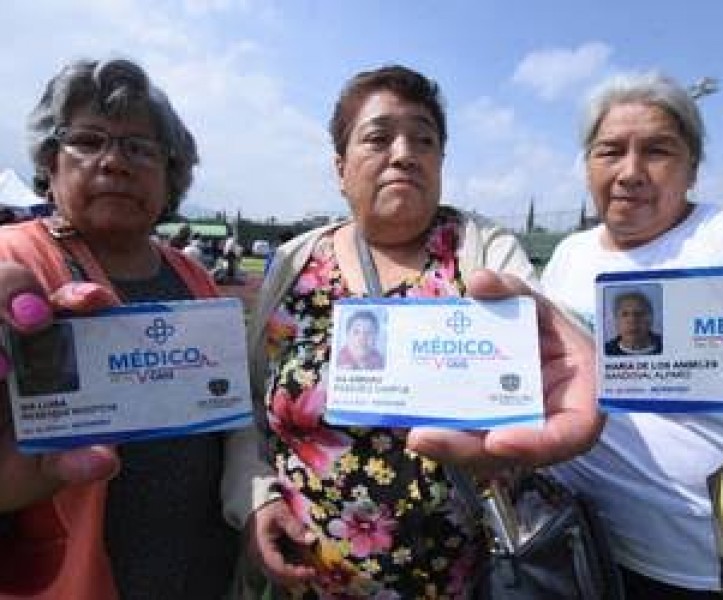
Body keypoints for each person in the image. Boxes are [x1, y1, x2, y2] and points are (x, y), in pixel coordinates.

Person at [220, 64, 601, 599]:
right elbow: (250, 410)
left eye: (423, 139)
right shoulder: (294, 263)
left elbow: (546, 349)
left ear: (440, 161)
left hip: (460, 578)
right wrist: (257, 496)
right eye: (378, 137)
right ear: (340, 166)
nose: (404, 153)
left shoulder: (484, 254)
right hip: (309, 578)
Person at [541, 70, 723, 598]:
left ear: (692, 169)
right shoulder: (570, 255)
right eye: (610, 151)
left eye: (657, 151)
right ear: (587, 164)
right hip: (591, 548)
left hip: (713, 565)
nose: (631, 172)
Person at [0, 58, 238, 599]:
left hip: (200, 572)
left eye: (140, 147)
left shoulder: (192, 273)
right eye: (88, 140)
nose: (114, 162)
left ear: (170, 173)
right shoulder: (16, 259)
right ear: (50, 162)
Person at [604, 289, 662, 355]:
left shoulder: (667, 344)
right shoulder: (605, 351)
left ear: (650, 319)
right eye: (624, 314)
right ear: (616, 321)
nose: (632, 320)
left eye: (639, 314)